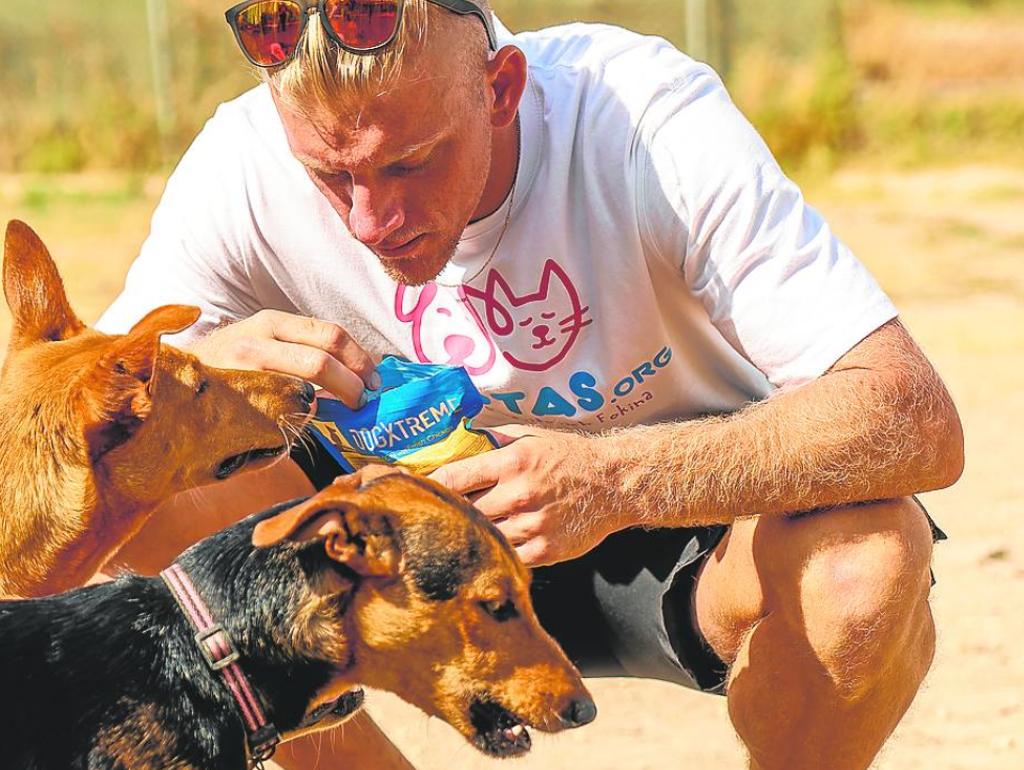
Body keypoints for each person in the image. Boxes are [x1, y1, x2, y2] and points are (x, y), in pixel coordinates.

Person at [97, 1, 964, 767]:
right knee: (139, 467)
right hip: (388, 557)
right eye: (333, 177)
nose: (371, 222)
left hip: (675, 528)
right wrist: (197, 374)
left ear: (501, 88)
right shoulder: (242, 159)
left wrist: (619, 480)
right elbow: (72, 419)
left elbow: (912, 414)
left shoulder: (640, 117)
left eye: (409, 164)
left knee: (867, 563)